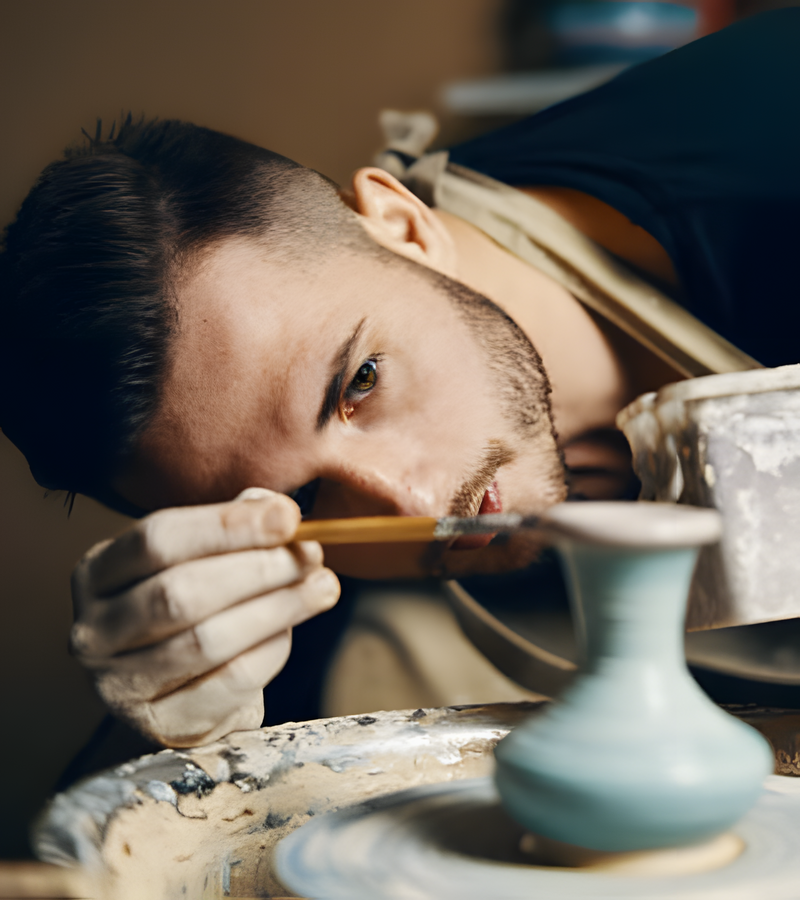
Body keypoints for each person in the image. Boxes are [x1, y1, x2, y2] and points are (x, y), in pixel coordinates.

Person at [1, 9, 799, 751]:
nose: (412, 509)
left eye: (361, 382)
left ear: (402, 224)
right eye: (304, 503)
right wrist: (167, 725)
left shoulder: (773, 133)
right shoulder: (330, 559)